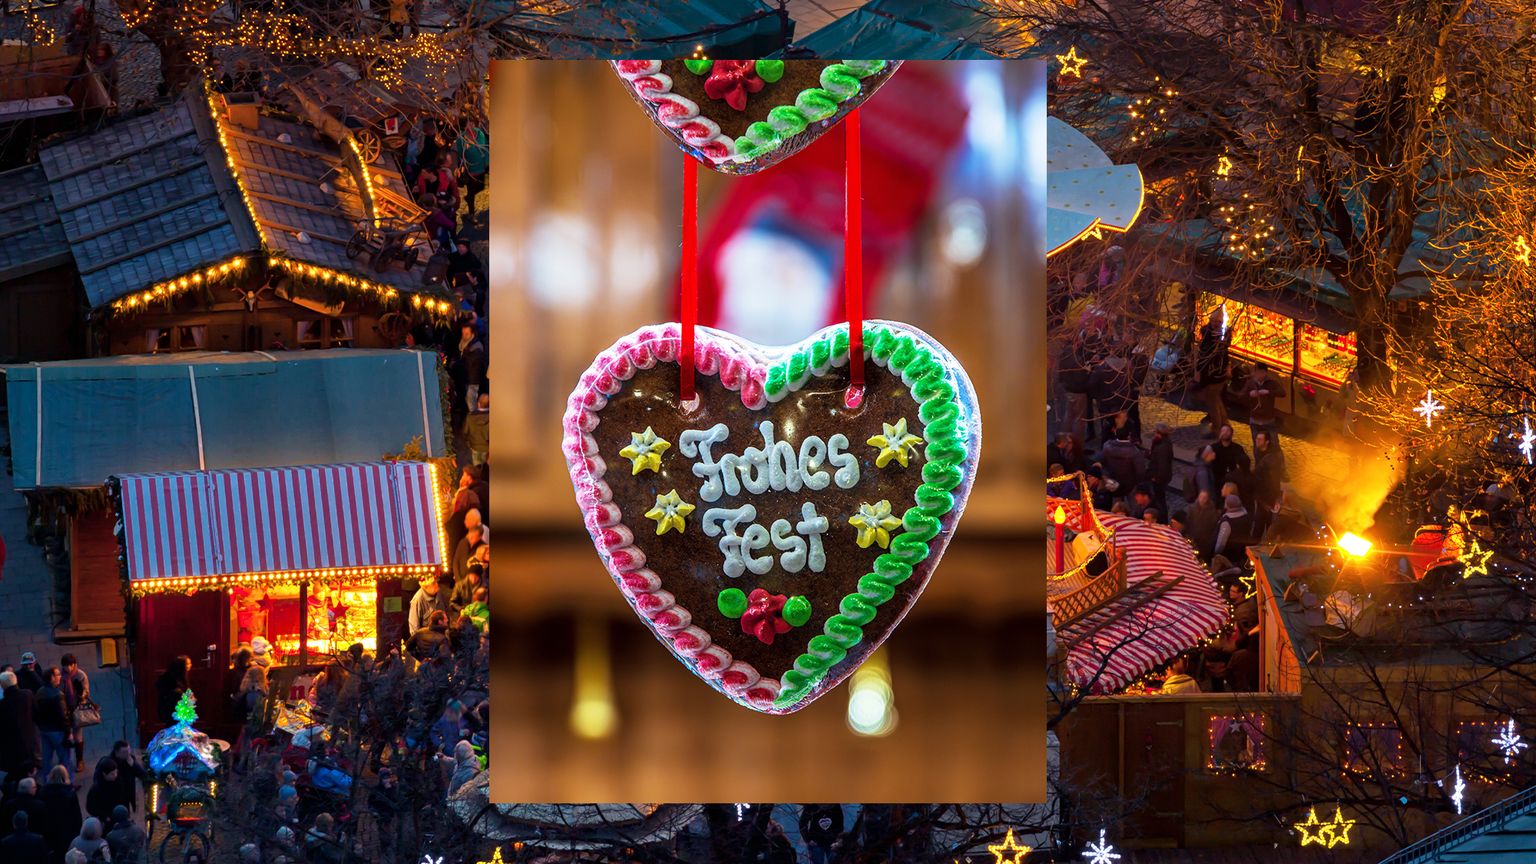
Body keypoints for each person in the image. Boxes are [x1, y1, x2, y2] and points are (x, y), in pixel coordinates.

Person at [1194, 308, 1231, 437]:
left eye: (1217, 322)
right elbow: (1204, 350)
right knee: (1217, 401)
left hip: (1216, 374)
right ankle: (1225, 425)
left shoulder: (1223, 335)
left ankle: (1217, 429)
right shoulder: (1207, 332)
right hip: (1210, 373)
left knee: (1213, 403)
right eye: (1213, 321)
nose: (1215, 324)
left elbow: (1221, 350)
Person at [34, 668, 72, 781]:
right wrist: (68, 732)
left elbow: (36, 711)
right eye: (58, 675)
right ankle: (67, 782)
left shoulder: (40, 692)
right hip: (57, 731)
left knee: (47, 759)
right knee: (65, 757)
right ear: (52, 678)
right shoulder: (58, 694)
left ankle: (47, 782)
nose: (60, 676)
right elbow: (63, 716)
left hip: (44, 730)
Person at [0, 670, 40, 777]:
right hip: (28, 741)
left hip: (11, 747)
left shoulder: (2, 705)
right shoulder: (27, 694)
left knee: (17, 773)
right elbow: (36, 714)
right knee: (29, 772)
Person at [40, 763, 83, 857]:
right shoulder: (70, 793)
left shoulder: (43, 792)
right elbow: (76, 815)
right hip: (66, 830)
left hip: (49, 829)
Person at [1252, 430, 1288, 536]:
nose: (1256, 441)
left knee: (1265, 527)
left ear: (1266, 442)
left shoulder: (1272, 459)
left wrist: (1276, 500)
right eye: (1256, 439)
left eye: (1259, 439)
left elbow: (1275, 481)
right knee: (1261, 526)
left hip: (1269, 499)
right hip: (1263, 498)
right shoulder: (1259, 451)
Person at [1243, 362, 1286, 450]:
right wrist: (1249, 394)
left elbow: (1282, 393)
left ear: (1265, 373)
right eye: (1256, 372)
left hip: (1268, 420)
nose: (1258, 374)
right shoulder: (1250, 383)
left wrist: (1269, 392)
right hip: (1255, 419)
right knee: (1257, 444)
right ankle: (1259, 463)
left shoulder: (1271, 382)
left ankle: (1276, 462)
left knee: (1274, 443)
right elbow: (1241, 395)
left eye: (1260, 372)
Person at [1097, 427, 1146, 501]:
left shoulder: (1107, 446)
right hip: (1130, 485)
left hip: (1113, 483)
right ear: (1128, 436)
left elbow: (1102, 463)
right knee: (1133, 506)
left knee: (1116, 506)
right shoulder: (1135, 452)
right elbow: (1140, 472)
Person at [60, 654, 89, 774]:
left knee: (77, 736)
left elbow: (86, 691)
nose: (67, 669)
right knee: (66, 735)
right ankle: (65, 761)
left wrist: (82, 695)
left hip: (76, 708)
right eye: (65, 666)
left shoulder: (80, 675)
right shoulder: (60, 676)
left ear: (74, 664)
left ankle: (79, 760)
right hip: (64, 708)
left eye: (69, 666)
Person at [455, 118, 489, 217]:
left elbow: (485, 147)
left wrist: (487, 161)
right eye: (469, 124)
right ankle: (471, 213)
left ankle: (469, 197)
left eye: (473, 123)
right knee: (471, 192)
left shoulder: (480, 133)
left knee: (481, 187)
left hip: (482, 167)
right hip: (471, 170)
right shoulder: (461, 139)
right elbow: (461, 155)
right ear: (464, 126)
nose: (472, 125)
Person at [0, 778, 46, 846]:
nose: (36, 789)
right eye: (35, 787)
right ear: (31, 789)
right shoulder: (40, 806)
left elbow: (3, 824)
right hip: (33, 844)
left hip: (11, 843)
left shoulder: (9, 805)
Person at [1210, 424, 1251, 493]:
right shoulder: (1214, 448)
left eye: (1227, 431)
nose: (1225, 433)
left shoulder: (1238, 448)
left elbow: (1245, 463)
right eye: (1223, 431)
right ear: (1220, 434)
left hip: (1233, 481)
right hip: (1217, 480)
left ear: (1232, 434)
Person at [84, 758, 127, 823]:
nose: (115, 775)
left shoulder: (118, 781)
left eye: (116, 772)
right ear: (104, 774)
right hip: (105, 819)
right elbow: (90, 807)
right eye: (112, 774)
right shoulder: (96, 789)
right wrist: (103, 816)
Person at [1215, 494, 1255, 562]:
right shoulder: (1246, 514)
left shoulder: (1227, 522)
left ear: (1227, 505)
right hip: (1243, 552)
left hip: (1230, 557)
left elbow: (1221, 543)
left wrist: (1215, 554)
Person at [107, 742, 145, 815]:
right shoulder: (110, 763)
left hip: (128, 792)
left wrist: (133, 765)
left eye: (129, 750)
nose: (128, 753)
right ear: (117, 753)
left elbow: (142, 774)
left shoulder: (130, 759)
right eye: (125, 752)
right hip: (117, 795)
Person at [1185, 489, 1222, 562]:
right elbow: (1188, 521)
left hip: (1205, 540)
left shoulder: (1211, 510)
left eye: (1204, 498)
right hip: (1193, 537)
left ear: (1208, 499)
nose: (1202, 499)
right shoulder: (1192, 508)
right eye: (1201, 497)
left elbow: (1213, 524)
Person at [1147, 423, 1174, 516]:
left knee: (1160, 500)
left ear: (1160, 434)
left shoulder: (1163, 448)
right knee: (1157, 498)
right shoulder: (1160, 443)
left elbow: (1163, 466)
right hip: (1158, 477)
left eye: (1156, 433)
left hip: (1159, 479)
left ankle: (1163, 517)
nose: (1155, 435)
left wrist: (1157, 478)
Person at [155, 656, 190, 727]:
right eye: (187, 664)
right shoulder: (173, 684)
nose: (190, 666)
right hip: (171, 713)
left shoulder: (176, 677)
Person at [466, 393, 490, 467]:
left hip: (475, 447)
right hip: (488, 449)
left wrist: (469, 445)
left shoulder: (470, 417)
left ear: (478, 404)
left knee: (477, 469)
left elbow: (466, 432)